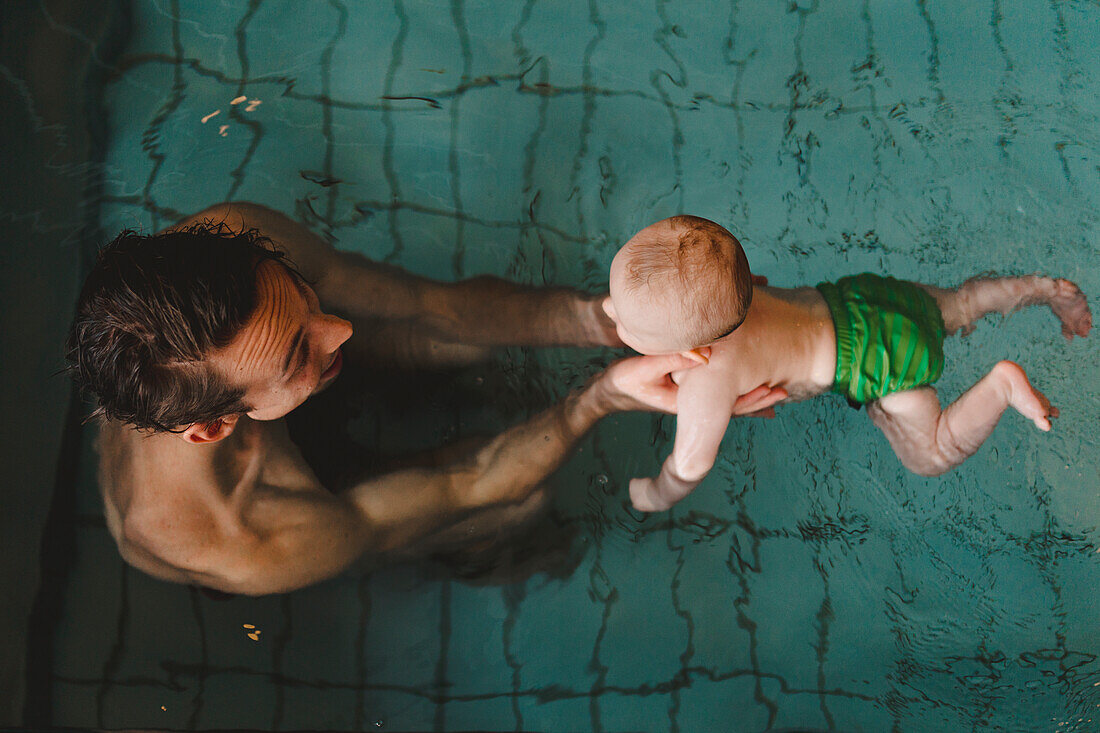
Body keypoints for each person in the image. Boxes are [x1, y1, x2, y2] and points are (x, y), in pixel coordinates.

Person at [67, 203, 786, 595]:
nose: (342, 327)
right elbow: (464, 481)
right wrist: (601, 396)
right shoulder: (255, 538)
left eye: (304, 299)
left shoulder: (221, 248)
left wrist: (614, 321)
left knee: (448, 340)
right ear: (216, 424)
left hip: (272, 414)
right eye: (298, 348)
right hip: (316, 499)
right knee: (513, 513)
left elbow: (430, 306)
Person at [602, 215, 1093, 512]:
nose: (608, 311)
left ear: (689, 352)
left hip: (878, 366)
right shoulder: (736, 284)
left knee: (930, 455)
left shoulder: (706, 376)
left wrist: (659, 491)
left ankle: (1003, 387)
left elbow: (691, 463)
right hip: (864, 301)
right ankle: (1046, 290)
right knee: (962, 304)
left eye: (624, 323)